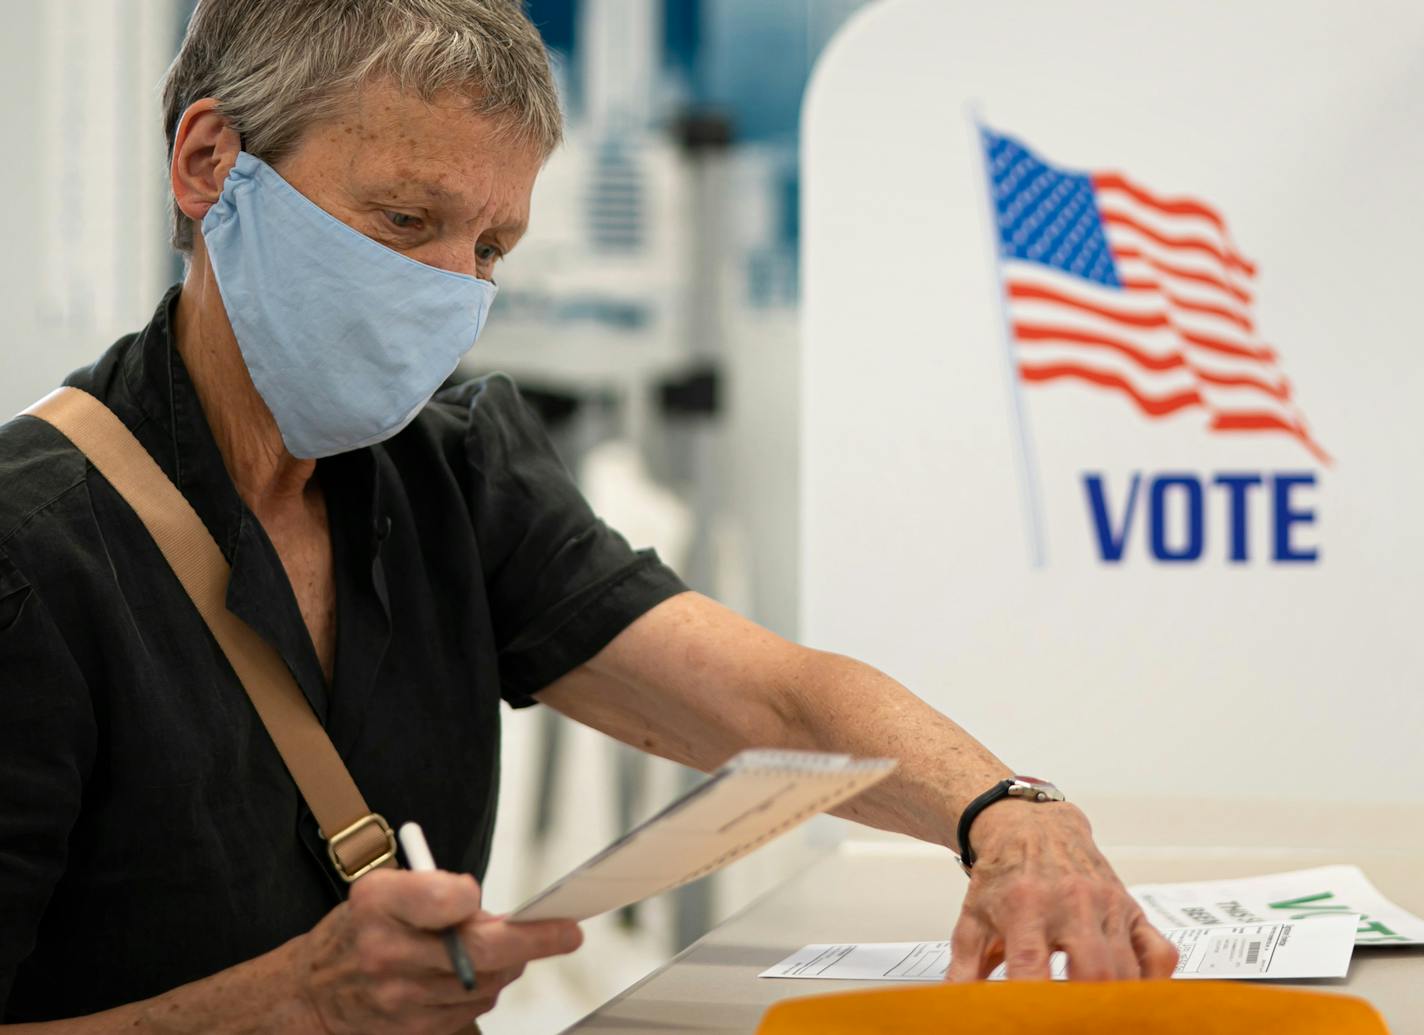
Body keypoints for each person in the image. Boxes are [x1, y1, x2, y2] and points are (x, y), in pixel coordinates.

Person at [0, 1, 1177, 1030]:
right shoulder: (35, 556)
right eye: (406, 223)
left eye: (491, 246)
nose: (450, 293)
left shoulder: (447, 472)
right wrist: (299, 1004)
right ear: (209, 161)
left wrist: (1007, 816)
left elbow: (768, 699)